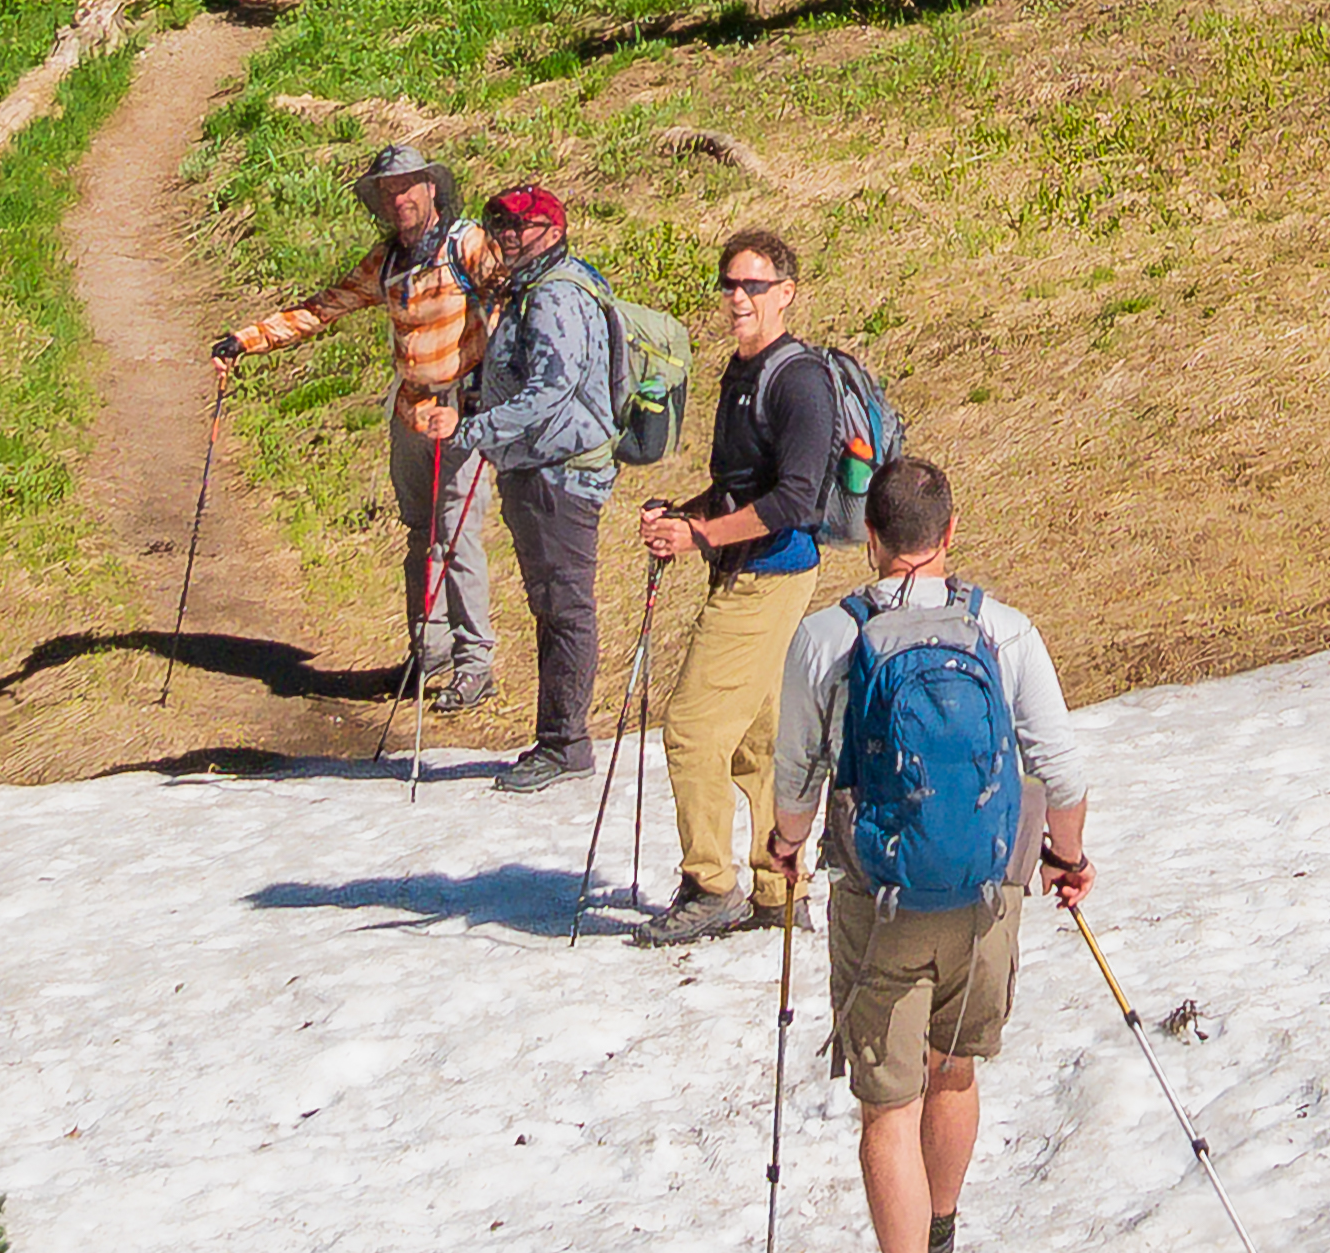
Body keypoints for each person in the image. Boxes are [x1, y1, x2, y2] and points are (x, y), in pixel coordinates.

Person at [757, 451, 1089, 1253]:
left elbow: (796, 777)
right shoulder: (1005, 632)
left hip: (881, 898)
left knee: (887, 1103)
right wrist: (1067, 857)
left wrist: (787, 846)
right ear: (949, 536)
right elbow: (1059, 768)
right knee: (954, 1075)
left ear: (870, 539)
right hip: (988, 897)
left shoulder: (828, 638)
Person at [629, 228, 868, 937]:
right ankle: (776, 886)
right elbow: (739, 487)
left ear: (786, 294)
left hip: (768, 579)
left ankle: (711, 887)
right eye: (730, 285)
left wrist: (698, 535)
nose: (738, 298)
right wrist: (687, 514)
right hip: (749, 572)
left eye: (753, 286)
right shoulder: (743, 371)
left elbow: (793, 500)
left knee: (692, 733)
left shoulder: (797, 380)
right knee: (759, 741)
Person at [215, 138, 492, 719]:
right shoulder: (387, 260)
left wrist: (483, 397)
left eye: (406, 188)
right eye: (387, 192)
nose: (398, 200)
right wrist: (245, 340)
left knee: (456, 534)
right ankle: (430, 652)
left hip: (461, 409)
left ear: (431, 188)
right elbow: (322, 308)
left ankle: (475, 664)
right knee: (421, 533)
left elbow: (512, 302)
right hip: (409, 412)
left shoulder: (467, 244)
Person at [450, 175, 638, 808]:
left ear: (552, 232)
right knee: (554, 605)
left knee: (564, 607)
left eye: (519, 225)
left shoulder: (554, 296)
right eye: (498, 224)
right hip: (543, 471)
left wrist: (473, 429)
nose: (506, 234)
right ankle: (559, 738)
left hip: (560, 476)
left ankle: (565, 743)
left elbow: (550, 391)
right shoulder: (537, 287)